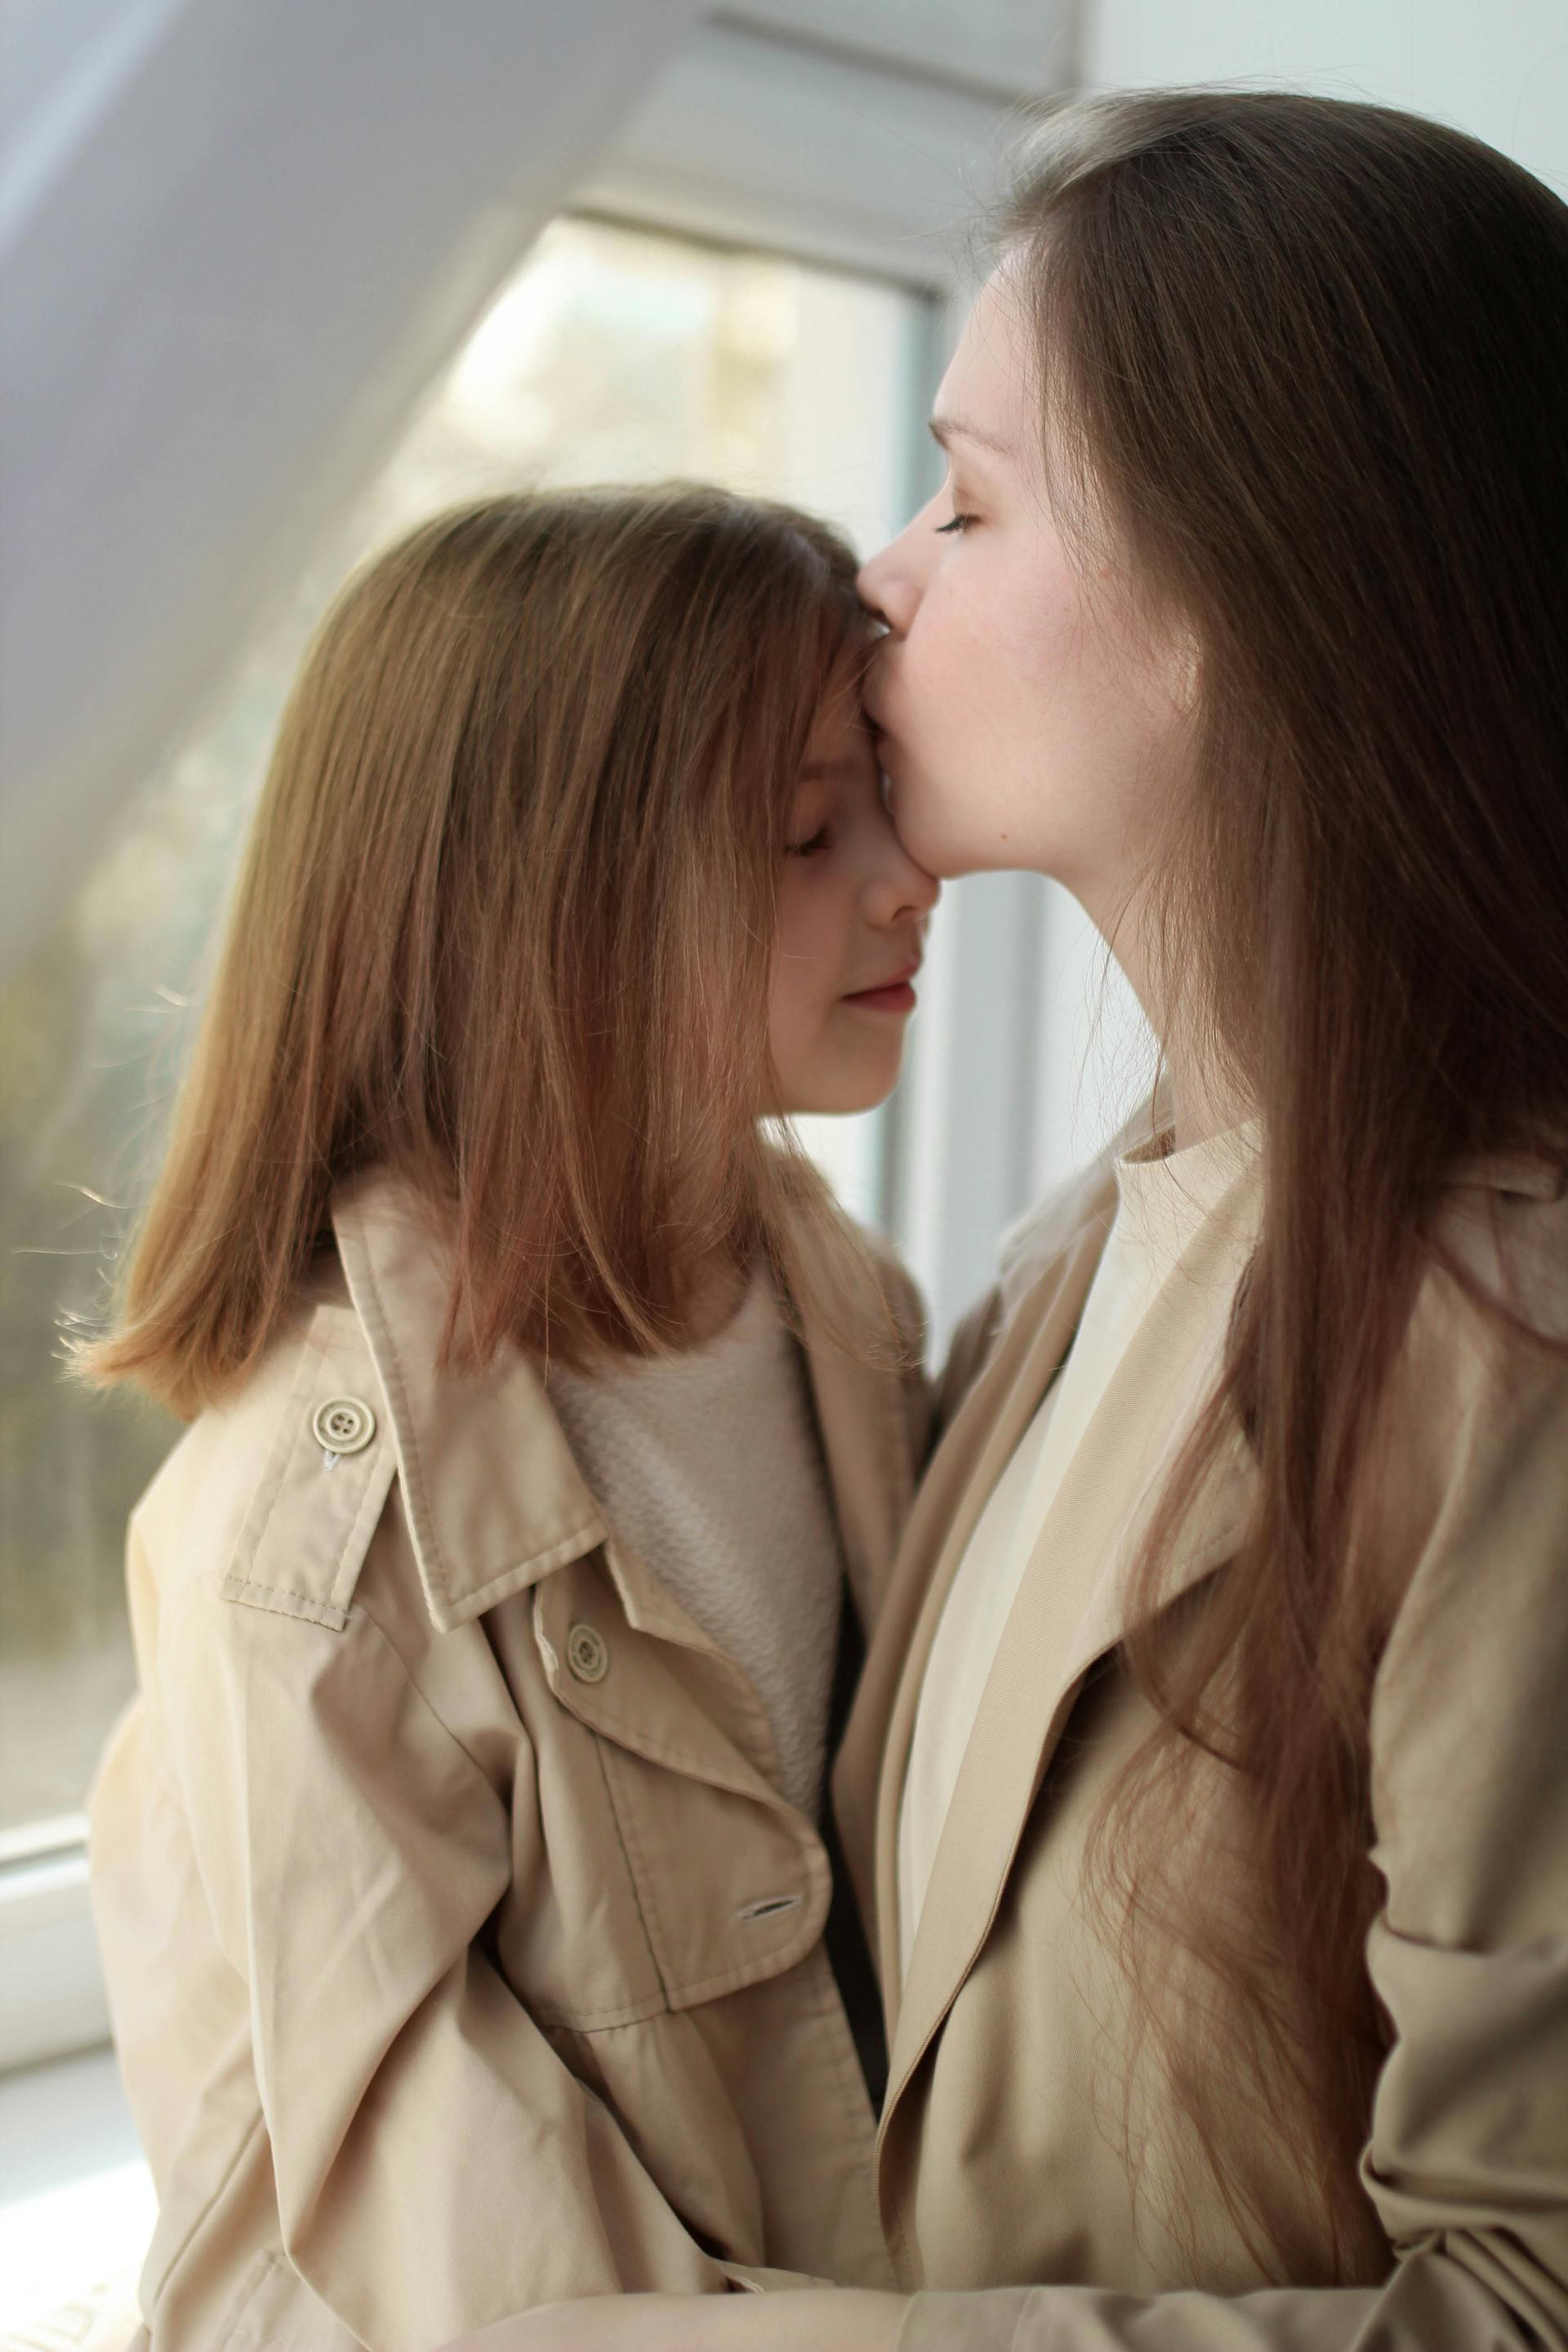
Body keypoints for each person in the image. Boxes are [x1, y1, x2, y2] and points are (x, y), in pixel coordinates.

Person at [461, 85, 1568, 2352]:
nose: (878, 572)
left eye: (967, 500)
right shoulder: (1084, 1245)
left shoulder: (1514, 1343)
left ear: (1264, 584)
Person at [79, 484, 942, 2348]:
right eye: (807, 830)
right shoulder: (303, 1556)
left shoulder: (835, 1296)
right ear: (550, 911)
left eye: (877, 789)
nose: (905, 875)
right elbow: (489, 2289)